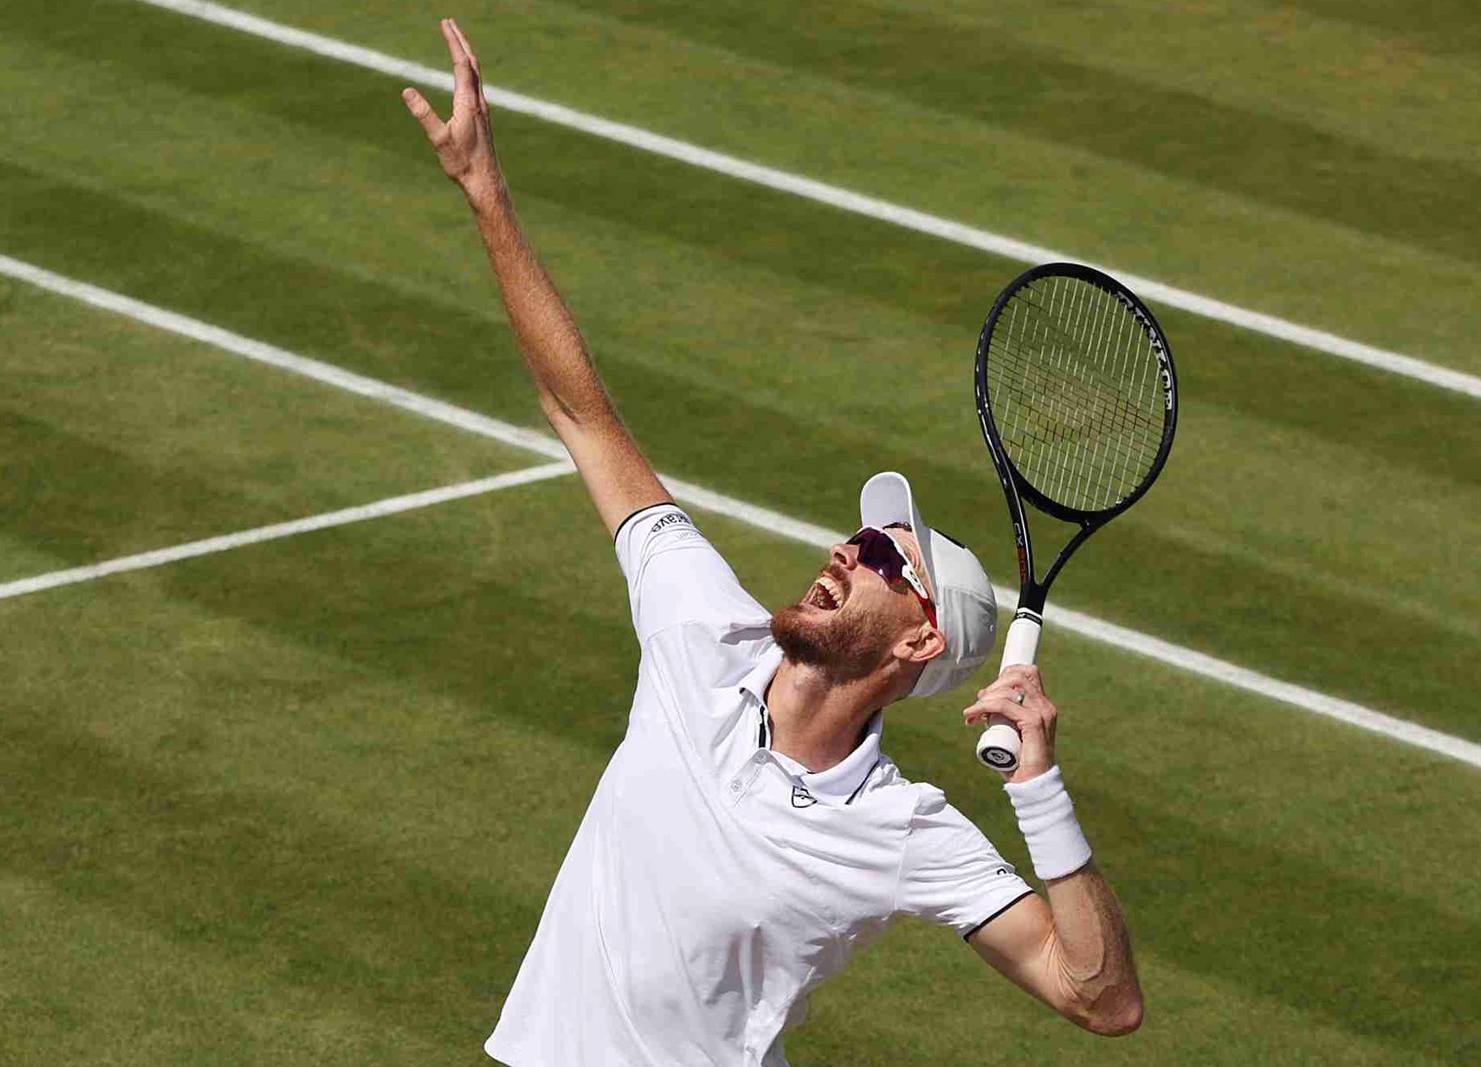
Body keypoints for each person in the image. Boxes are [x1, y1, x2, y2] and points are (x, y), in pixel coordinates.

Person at [401, 20, 1145, 1065]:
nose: (847, 552)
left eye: (886, 560)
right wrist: (487, 198)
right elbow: (583, 417)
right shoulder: (702, 630)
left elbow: (1099, 997)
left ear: (917, 643)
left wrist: (1040, 791)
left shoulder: (901, 828)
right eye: (857, 536)